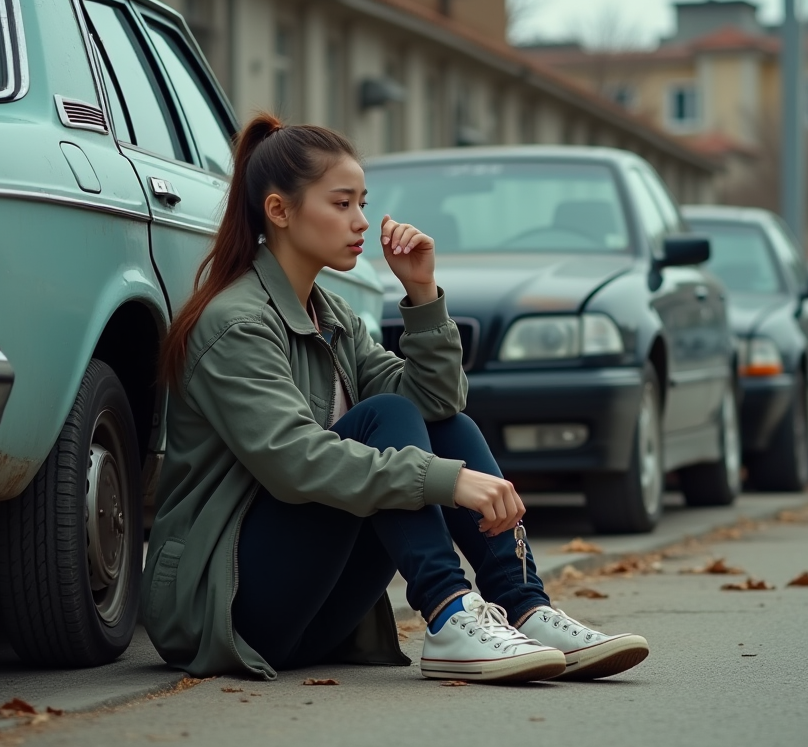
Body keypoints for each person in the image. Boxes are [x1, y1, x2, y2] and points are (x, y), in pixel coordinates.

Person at [141, 113, 649, 684]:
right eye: (342, 204)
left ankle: (526, 607)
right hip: (226, 610)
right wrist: (446, 481)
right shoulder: (236, 324)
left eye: (363, 203)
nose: (362, 222)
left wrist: (422, 293)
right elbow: (292, 461)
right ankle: (450, 613)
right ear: (279, 211)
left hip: (314, 611)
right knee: (386, 416)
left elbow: (437, 404)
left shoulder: (329, 317)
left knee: (437, 424)